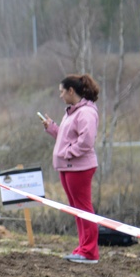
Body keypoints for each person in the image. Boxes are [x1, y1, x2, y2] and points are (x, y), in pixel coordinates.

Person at [40, 74, 100, 264]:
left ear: (71, 91)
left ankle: (90, 252)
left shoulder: (86, 113)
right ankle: (83, 247)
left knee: (84, 209)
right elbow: (66, 139)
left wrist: (67, 153)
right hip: (68, 167)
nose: (60, 96)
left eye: (62, 92)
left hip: (79, 168)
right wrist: (52, 128)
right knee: (77, 210)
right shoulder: (72, 112)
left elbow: (86, 141)